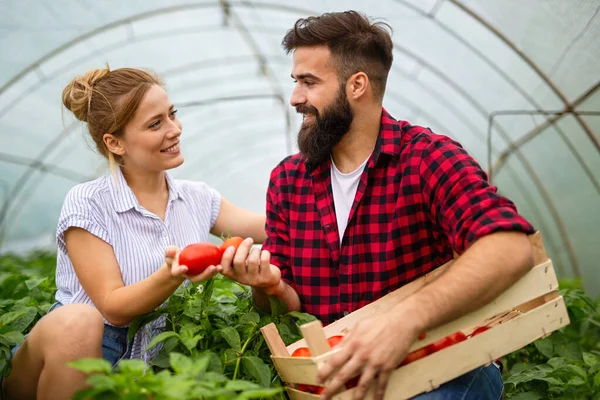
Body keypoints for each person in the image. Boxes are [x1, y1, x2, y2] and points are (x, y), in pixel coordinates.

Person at [209, 10, 535, 400]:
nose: (295, 97)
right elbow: (289, 305)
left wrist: (405, 320)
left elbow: (510, 248)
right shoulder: (288, 181)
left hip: (443, 368)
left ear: (357, 85)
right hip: (346, 380)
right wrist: (269, 288)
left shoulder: (427, 159)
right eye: (296, 82)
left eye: (309, 82)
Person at [1, 67, 266, 400]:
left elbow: (271, 227)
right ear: (115, 142)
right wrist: (172, 275)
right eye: (155, 124)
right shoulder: (89, 202)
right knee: (79, 320)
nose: (175, 130)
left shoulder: (198, 198)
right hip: (85, 352)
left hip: (155, 362)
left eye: (172, 115)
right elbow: (113, 306)